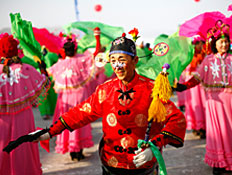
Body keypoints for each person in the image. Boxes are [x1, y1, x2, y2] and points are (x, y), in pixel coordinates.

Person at [34, 33, 186, 175]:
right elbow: (80, 113)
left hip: (143, 164)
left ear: (135, 61)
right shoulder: (105, 90)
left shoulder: (151, 89)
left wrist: (155, 146)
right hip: (111, 163)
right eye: (113, 61)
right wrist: (50, 131)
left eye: (122, 60)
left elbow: (177, 119)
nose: (117, 66)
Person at [173, 20, 232, 175]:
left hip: (230, 99)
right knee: (217, 132)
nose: (224, 45)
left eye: (226, 42)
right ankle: (219, 163)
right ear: (215, 43)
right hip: (214, 100)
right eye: (221, 42)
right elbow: (197, 78)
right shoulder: (208, 60)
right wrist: (184, 86)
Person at [0, 33, 49, 175]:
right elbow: (44, 84)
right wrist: (42, 67)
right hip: (24, 115)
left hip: (2, 119)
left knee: (2, 145)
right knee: (23, 146)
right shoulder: (26, 69)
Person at [48, 37, 94, 161]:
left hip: (65, 99)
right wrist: (97, 37)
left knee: (66, 121)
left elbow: (48, 72)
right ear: (75, 49)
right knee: (79, 122)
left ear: (64, 50)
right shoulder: (81, 60)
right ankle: (78, 150)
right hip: (80, 97)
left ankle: (72, 151)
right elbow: (94, 59)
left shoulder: (59, 64)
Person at [183, 36, 206, 138]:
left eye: (202, 43)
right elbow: (184, 70)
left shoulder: (205, 55)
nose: (200, 46)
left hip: (201, 83)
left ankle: (204, 126)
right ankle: (196, 126)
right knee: (194, 103)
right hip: (191, 84)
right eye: (198, 43)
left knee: (203, 104)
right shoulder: (188, 56)